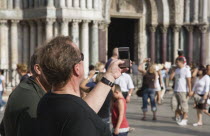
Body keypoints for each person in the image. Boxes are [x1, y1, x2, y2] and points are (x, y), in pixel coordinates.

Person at [37, 36, 127, 136]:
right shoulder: (82, 120)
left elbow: (84, 109)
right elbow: (82, 114)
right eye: (82, 57)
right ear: (77, 69)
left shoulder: (46, 101)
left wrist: (110, 76)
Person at [0, 48, 51, 136]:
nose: (59, 72)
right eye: (52, 66)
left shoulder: (28, 88)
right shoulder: (32, 100)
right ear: (38, 69)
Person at [170, 57, 192, 126]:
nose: (176, 64)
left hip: (183, 90)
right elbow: (170, 78)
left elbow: (189, 81)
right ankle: (182, 115)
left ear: (182, 62)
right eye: (176, 62)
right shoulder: (177, 70)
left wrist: (190, 91)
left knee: (184, 106)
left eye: (177, 62)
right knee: (173, 105)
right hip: (176, 90)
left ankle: (185, 120)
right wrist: (173, 71)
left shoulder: (186, 70)